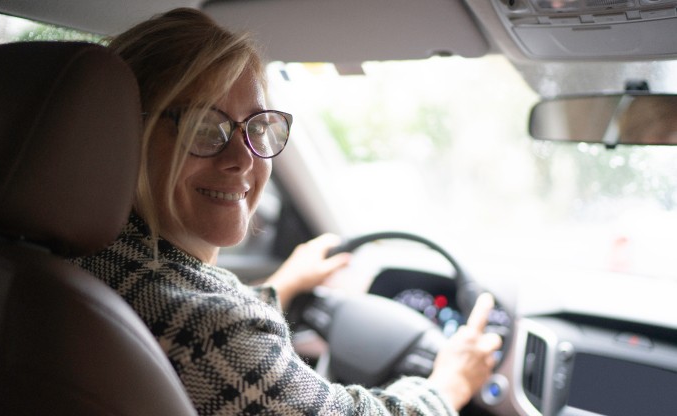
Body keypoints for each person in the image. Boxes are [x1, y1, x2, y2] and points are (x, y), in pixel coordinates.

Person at [72, 7, 501, 415]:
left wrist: (283, 286)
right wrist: (449, 383)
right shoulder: (207, 330)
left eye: (258, 127)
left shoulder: (82, 257)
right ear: (126, 130)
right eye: (204, 126)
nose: (242, 160)